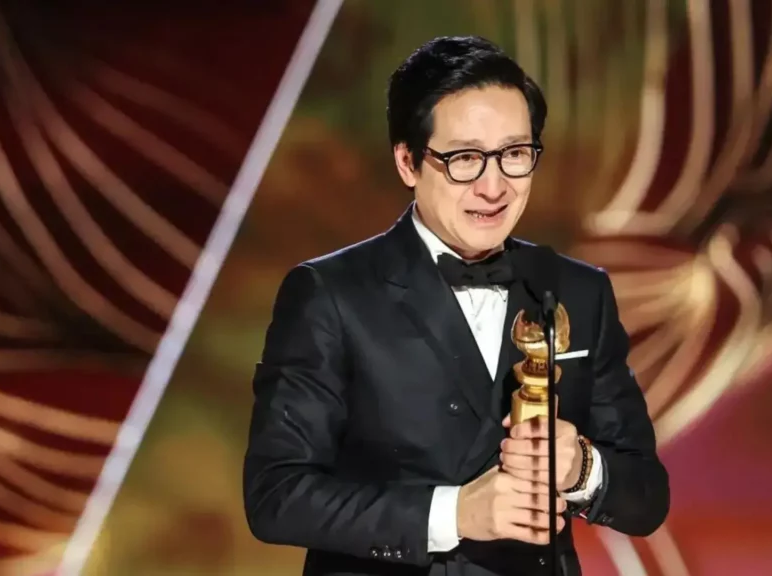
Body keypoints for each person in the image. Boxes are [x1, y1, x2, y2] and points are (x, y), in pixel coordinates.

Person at [243, 35, 669, 576]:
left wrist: (583, 469)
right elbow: (277, 495)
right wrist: (454, 514)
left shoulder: (579, 292)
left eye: (515, 155)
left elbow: (646, 496)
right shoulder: (330, 294)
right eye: (465, 159)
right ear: (408, 162)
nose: (494, 187)